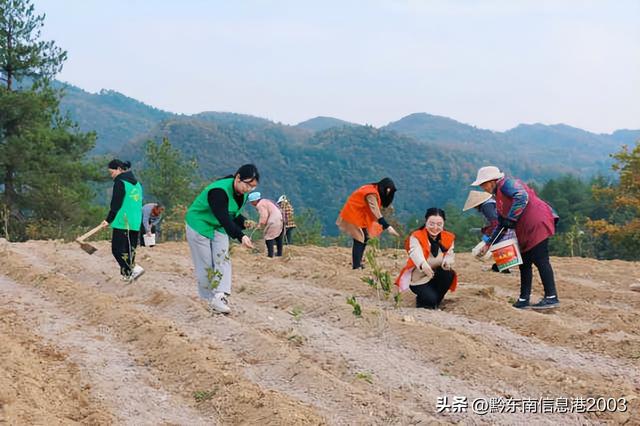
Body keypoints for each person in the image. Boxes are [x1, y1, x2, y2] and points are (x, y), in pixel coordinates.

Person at [472, 166, 559, 310]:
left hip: (537, 223)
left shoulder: (507, 184)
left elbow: (522, 196)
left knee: (540, 259)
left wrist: (511, 218)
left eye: (484, 184)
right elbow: (501, 223)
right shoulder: (498, 196)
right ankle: (524, 298)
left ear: (492, 180)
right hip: (524, 228)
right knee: (524, 263)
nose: (483, 188)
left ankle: (551, 296)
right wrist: (488, 244)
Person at [185, 164, 258, 314]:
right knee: (206, 264)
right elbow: (224, 217)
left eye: (253, 187)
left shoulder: (242, 194)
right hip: (199, 224)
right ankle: (208, 299)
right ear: (238, 178)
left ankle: (220, 296)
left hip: (218, 226)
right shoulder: (218, 191)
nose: (249, 189)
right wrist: (241, 236)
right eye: (247, 185)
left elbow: (233, 215)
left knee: (222, 258)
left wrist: (243, 222)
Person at [395, 208, 457, 309]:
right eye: (431, 224)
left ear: (443, 224)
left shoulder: (448, 237)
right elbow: (415, 252)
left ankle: (435, 301)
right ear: (426, 222)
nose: (435, 227)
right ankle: (427, 301)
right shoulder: (416, 236)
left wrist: (447, 262)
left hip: (436, 275)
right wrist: (423, 265)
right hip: (419, 278)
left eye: (439, 224)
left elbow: (450, 254)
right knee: (429, 300)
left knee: (448, 274)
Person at [337, 178, 400, 269]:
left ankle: (358, 263)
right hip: (352, 214)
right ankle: (356, 266)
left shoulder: (373, 189)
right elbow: (375, 210)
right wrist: (387, 226)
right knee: (359, 239)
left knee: (365, 237)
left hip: (359, 216)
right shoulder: (371, 193)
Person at [100, 159, 145, 281]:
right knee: (129, 250)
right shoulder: (137, 184)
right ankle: (127, 275)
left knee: (117, 249)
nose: (112, 175)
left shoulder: (120, 182)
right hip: (135, 222)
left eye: (112, 172)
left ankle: (133, 269)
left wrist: (108, 220)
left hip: (123, 221)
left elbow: (116, 204)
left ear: (119, 169)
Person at [462, 190, 511, 273]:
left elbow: (495, 223)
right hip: (506, 225)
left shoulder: (486, 207)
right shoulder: (491, 203)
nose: (475, 209)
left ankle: (503, 266)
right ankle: (503, 266)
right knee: (501, 243)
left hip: (502, 228)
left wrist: (488, 235)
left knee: (498, 243)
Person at [247, 192, 285, 257]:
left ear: (255, 201)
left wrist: (260, 224)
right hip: (280, 219)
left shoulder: (260, 205)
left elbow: (264, 216)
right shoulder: (265, 201)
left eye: (252, 202)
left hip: (273, 221)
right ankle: (279, 254)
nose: (251, 204)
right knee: (279, 238)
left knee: (268, 237)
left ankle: (270, 255)